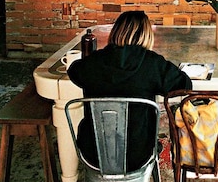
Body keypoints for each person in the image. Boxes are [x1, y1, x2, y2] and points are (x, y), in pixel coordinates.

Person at [67, 11, 192, 169]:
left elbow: (73, 71)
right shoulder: (152, 63)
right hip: (138, 154)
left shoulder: (94, 61)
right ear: (147, 35)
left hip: (94, 154)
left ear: (116, 31)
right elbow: (184, 86)